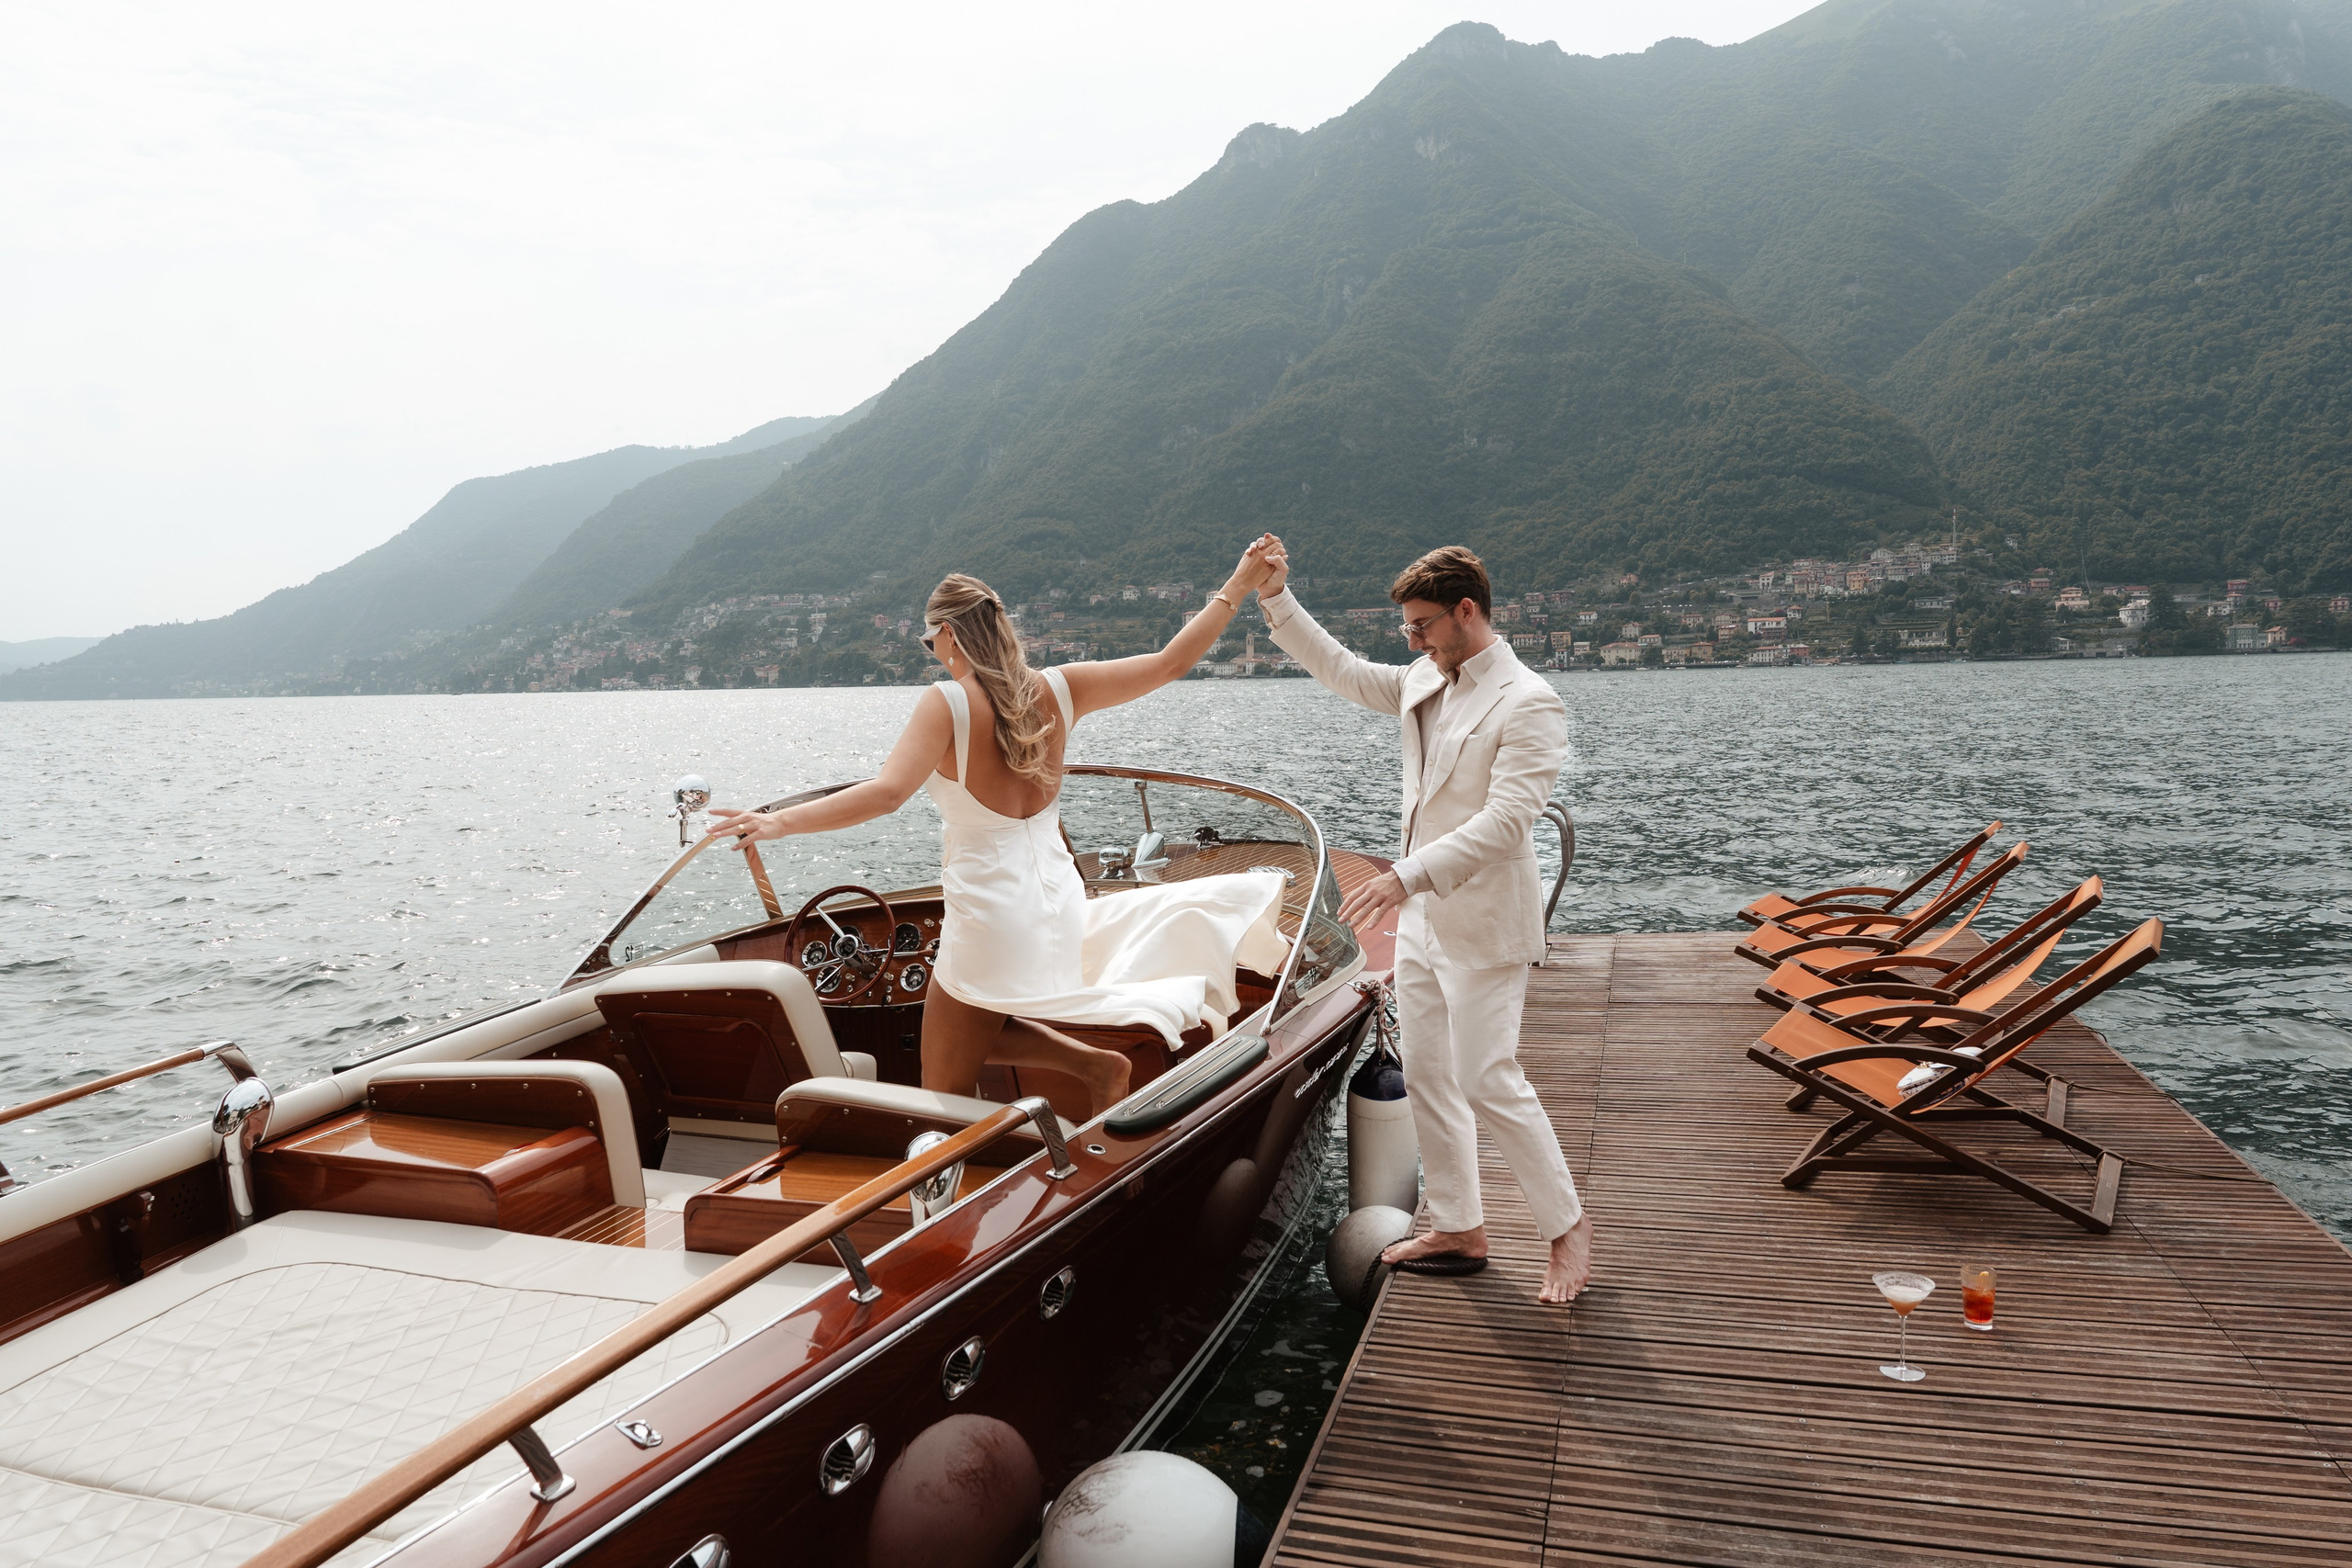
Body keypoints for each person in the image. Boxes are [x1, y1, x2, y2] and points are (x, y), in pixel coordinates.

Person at [704, 543, 1289, 1118]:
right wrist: (1237, 585)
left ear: (949, 635)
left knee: (943, 1084)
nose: (933, 652)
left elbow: (887, 794)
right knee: (970, 1027)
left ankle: (981, 1161)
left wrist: (777, 822)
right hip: (1057, 901)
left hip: (990, 912)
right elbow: (1170, 664)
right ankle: (1095, 1068)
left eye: (929, 640)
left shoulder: (947, 703)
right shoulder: (1061, 688)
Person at [1257, 539, 1591, 1305]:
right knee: (1431, 1074)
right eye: (1407, 627)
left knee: (1487, 1074)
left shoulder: (1530, 700)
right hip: (1420, 921)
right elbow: (1341, 669)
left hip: (1483, 921)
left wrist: (1403, 876)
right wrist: (1276, 597)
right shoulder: (1422, 679)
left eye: (1421, 625)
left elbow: (1507, 822)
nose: (1411, 640)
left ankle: (1567, 1226)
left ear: (1466, 610)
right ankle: (1460, 1227)